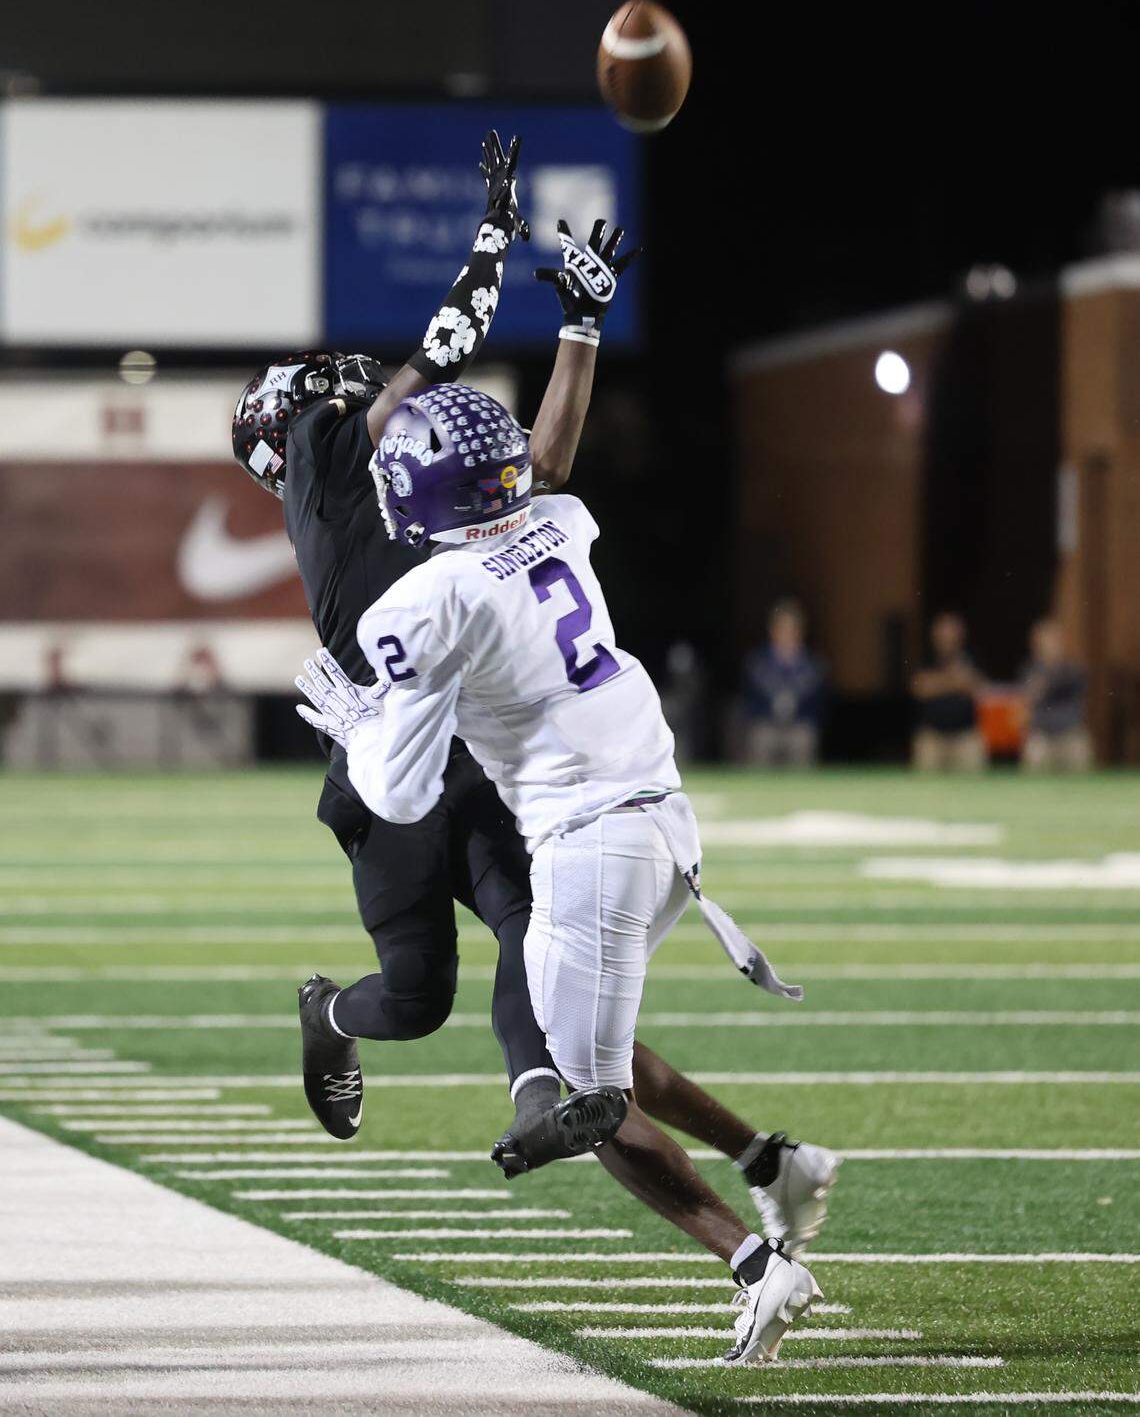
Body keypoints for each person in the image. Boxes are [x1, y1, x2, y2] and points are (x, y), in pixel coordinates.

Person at [233, 139, 837, 1270]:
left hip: (478, 736)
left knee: (544, 959)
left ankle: (591, 1128)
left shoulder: (434, 492)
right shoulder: (327, 458)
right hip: (391, 740)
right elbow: (445, 351)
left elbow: (540, 473)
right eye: (341, 392)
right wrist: (494, 240)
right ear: (298, 429)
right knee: (417, 998)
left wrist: (574, 326)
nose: (368, 391)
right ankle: (338, 1012)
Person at [295, 378, 836, 1365]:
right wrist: (578, 341)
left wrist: (362, 725)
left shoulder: (427, 598)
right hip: (665, 825)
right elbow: (538, 477)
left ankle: (761, 1266)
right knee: (596, 1050)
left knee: (588, 1105)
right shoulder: (561, 523)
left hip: (591, 848)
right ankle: (777, 1161)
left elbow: (404, 793)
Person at [740, 600, 825, 766]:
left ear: (800, 632)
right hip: (766, 724)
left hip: (798, 726)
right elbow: (747, 702)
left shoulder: (813, 665)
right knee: (760, 739)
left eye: (792, 629)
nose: (787, 634)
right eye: (782, 629)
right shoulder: (756, 663)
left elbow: (820, 707)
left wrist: (796, 709)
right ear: (773, 631)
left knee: (803, 739)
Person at [910, 611, 987, 771]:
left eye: (952, 631)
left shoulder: (971, 657)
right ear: (934, 634)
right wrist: (954, 681)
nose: (948, 637)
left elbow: (978, 688)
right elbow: (920, 688)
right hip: (933, 735)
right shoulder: (926, 658)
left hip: (965, 735)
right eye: (943, 631)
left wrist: (938, 683)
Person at [1020, 619, 1092, 771]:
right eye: (1044, 640)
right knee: (1034, 763)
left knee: (1081, 769)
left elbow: (1071, 682)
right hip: (1042, 735)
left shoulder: (1072, 668)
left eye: (1053, 639)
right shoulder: (1031, 670)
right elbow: (1029, 697)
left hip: (1069, 733)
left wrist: (1050, 670)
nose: (1049, 644)